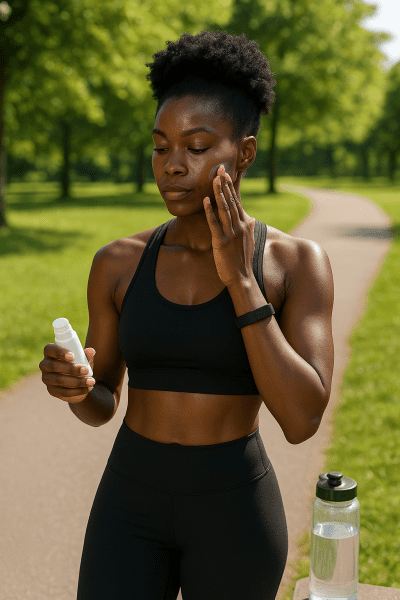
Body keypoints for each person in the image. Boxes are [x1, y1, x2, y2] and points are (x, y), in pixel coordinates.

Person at [39, 29, 334, 600]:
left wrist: (242, 284)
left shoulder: (295, 265)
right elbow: (103, 405)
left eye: (196, 147)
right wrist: (77, 389)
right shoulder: (118, 264)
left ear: (244, 152)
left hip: (235, 510)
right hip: (130, 501)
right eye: (160, 146)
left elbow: (301, 422)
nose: (172, 165)